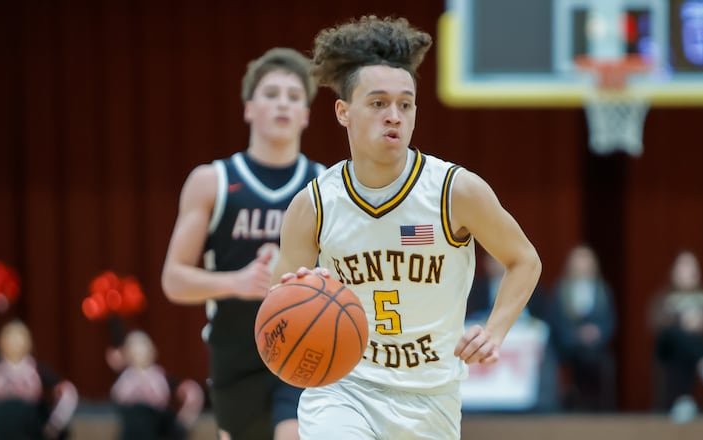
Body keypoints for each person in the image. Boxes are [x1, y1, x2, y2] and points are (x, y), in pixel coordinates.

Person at [271, 15, 542, 439]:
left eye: (405, 104)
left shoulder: (455, 191)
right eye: (378, 103)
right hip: (345, 388)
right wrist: (301, 295)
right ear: (343, 111)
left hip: (431, 397)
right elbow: (279, 310)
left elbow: (524, 260)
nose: (394, 116)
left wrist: (494, 331)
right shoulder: (314, 205)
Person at [161, 47, 325, 440]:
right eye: (271, 94)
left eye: (293, 96)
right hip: (235, 353)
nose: (282, 103)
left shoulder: (324, 185)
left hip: (302, 344)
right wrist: (236, 282)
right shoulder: (212, 181)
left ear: (305, 115)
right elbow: (173, 279)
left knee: (294, 433)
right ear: (249, 108)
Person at [649, 250, 703, 423]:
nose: (686, 272)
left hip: (700, 342)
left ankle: (682, 400)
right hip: (668, 348)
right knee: (675, 334)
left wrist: (702, 321)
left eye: (691, 267)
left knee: (685, 349)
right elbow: (655, 321)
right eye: (682, 267)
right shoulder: (664, 296)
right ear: (674, 272)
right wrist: (682, 320)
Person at [547, 244, 617, 411]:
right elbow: (556, 323)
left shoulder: (603, 291)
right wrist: (576, 335)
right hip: (567, 346)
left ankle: (600, 408)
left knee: (599, 360)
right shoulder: (560, 290)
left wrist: (596, 334)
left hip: (596, 347)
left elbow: (610, 322)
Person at [0, 320, 79, 439]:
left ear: (28, 342)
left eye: (19, 337)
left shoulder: (37, 371)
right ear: (1, 341)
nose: (15, 343)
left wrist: (55, 423)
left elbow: (68, 392)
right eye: (10, 337)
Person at [108, 330, 204, 440]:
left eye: (143, 345)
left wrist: (186, 418)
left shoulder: (161, 377)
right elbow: (117, 398)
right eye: (135, 347)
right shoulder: (125, 378)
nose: (140, 351)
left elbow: (192, 392)